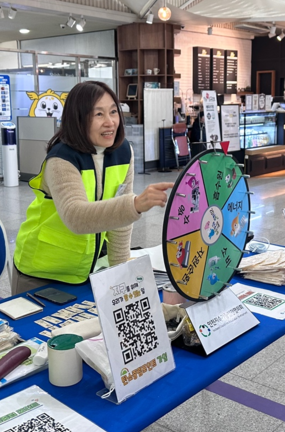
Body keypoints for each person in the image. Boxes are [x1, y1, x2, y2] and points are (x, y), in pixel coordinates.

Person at [11, 81, 171, 294]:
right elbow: (75, 217)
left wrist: (121, 272)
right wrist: (134, 205)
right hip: (41, 273)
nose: (110, 122)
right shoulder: (61, 159)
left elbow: (119, 223)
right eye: (98, 114)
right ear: (78, 119)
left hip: (86, 270)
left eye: (113, 112)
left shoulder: (123, 152)